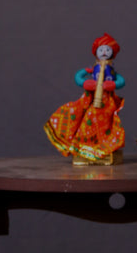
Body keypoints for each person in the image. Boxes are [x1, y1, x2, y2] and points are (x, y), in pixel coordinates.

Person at [44, 34, 126, 165]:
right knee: (89, 118)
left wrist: (113, 84)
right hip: (92, 99)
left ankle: (104, 145)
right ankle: (84, 145)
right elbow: (78, 76)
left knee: (107, 123)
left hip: (108, 102)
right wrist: (85, 82)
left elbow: (121, 81)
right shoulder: (93, 69)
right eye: (101, 49)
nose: (104, 52)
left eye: (107, 49)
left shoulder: (111, 71)